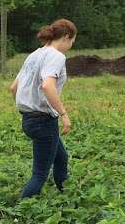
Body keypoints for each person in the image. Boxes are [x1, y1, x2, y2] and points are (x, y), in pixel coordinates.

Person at [9, 19, 76, 198]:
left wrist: (27, 108)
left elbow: (13, 88)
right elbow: (48, 86)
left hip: (29, 118)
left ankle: (65, 193)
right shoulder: (56, 56)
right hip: (43, 120)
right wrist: (63, 114)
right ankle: (20, 213)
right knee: (39, 175)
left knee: (61, 157)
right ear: (67, 37)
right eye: (72, 41)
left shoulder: (34, 55)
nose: (71, 45)